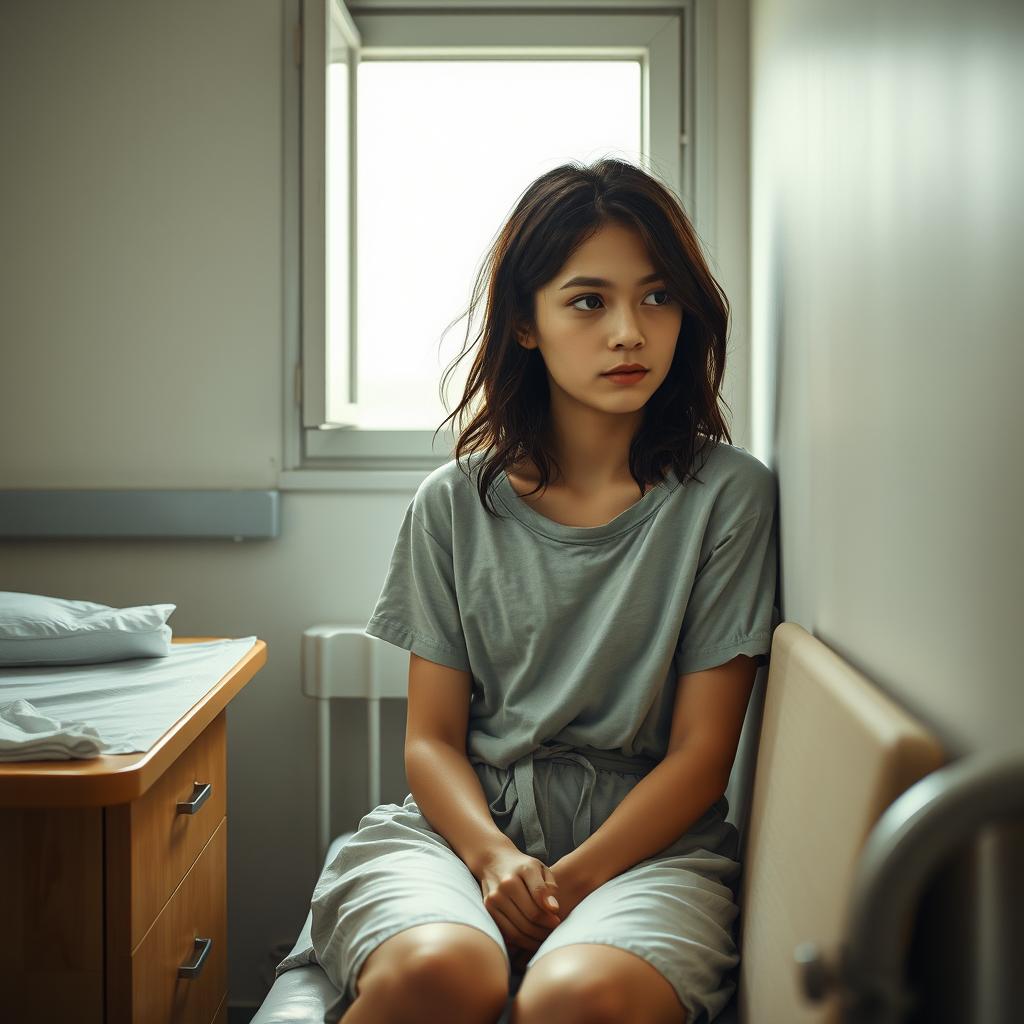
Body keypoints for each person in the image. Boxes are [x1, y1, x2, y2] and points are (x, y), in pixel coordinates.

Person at [276, 157, 780, 1024]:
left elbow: (702, 756)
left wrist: (564, 886)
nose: (629, 331)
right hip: (461, 831)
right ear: (525, 324)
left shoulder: (727, 496)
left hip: (650, 846)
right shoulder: (454, 503)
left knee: (580, 996)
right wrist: (494, 862)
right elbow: (431, 741)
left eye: (657, 297)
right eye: (589, 301)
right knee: (442, 972)